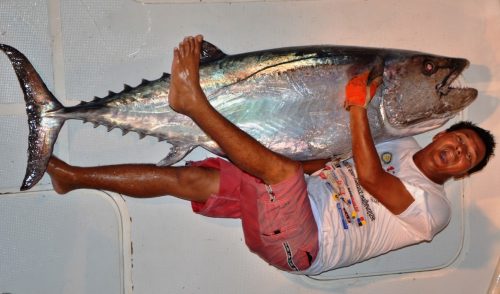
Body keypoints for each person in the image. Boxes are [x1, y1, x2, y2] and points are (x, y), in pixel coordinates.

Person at [46, 35, 496, 275]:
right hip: (288, 203)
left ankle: (195, 106)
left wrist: (359, 103)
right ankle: (69, 173)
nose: (458, 151)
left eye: (468, 159)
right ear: (443, 135)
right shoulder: (397, 144)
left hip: (307, 244)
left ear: (461, 174)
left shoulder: (434, 210)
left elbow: (373, 181)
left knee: (278, 171)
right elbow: (326, 160)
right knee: (188, 181)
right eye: (461, 142)